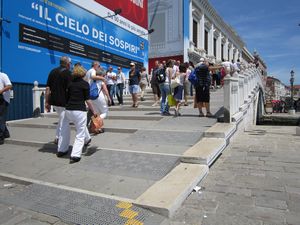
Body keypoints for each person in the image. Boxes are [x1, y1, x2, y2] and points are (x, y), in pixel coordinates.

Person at [58, 64, 97, 163]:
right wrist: (94, 111)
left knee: (64, 130)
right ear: (82, 73)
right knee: (80, 133)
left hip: (68, 110)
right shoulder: (85, 84)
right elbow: (87, 100)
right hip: (79, 110)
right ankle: (75, 155)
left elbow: (66, 97)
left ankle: (61, 150)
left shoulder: (70, 84)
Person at [45, 56, 72, 145]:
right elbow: (70, 88)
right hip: (64, 101)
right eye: (70, 64)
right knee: (64, 121)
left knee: (61, 118)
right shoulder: (68, 73)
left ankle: (57, 137)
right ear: (67, 64)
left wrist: (47, 101)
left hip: (54, 101)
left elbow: (48, 88)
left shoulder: (52, 71)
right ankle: (60, 139)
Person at [89, 68, 111, 133]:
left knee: (96, 114)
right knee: (105, 112)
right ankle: (95, 124)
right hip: (100, 97)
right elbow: (105, 90)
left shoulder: (92, 81)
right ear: (101, 75)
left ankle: (96, 129)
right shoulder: (101, 81)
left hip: (92, 98)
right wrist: (109, 98)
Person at [0, 71, 12, 144]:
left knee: (0, 118)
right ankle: (6, 133)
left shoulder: (3, 75)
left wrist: (1, 91)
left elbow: (9, 86)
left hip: (3, 99)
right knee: (1, 118)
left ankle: (1, 137)